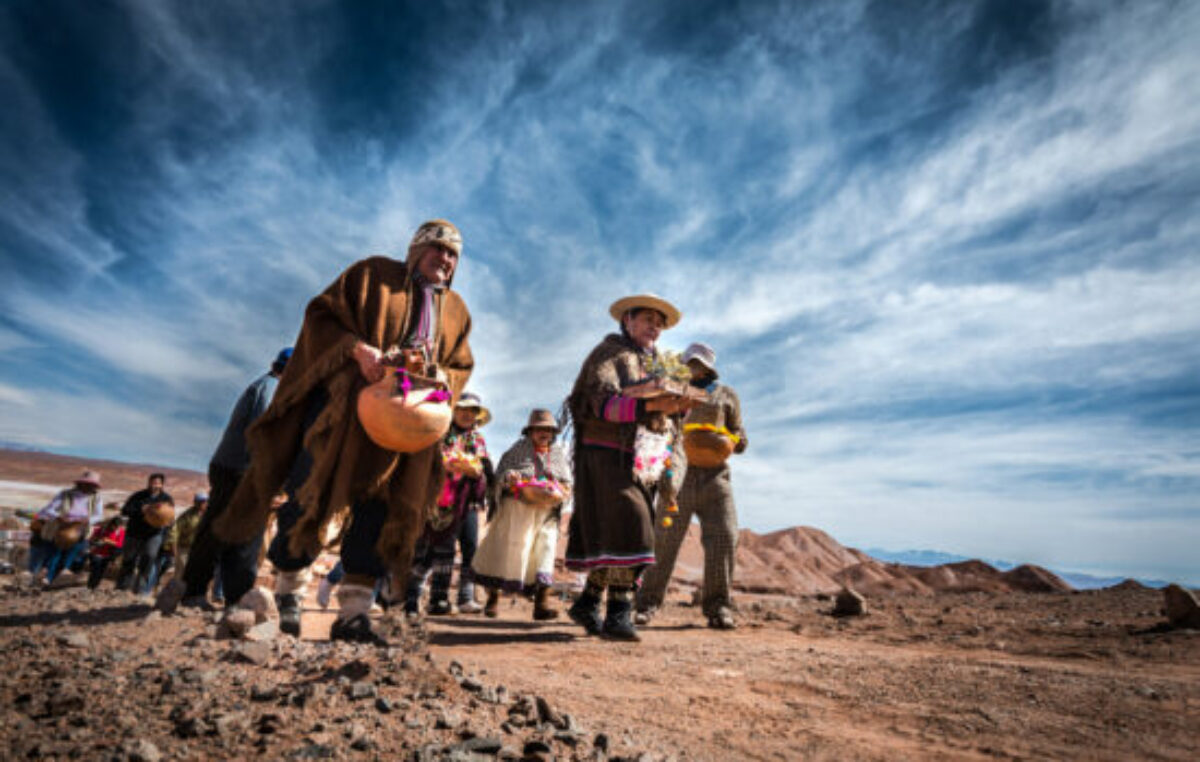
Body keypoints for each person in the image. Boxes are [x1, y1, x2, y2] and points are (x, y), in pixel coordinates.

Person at [212, 219, 473, 644]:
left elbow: (461, 366)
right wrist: (358, 350)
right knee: (311, 490)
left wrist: (442, 375)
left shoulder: (457, 310)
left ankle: (354, 610)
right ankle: (289, 595)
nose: (445, 259)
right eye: (438, 248)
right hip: (345, 412)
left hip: (406, 427)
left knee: (380, 508)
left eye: (453, 254)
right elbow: (321, 316)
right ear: (416, 248)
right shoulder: (372, 276)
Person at [564, 294, 693, 641]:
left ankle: (588, 602)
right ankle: (619, 613)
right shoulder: (609, 354)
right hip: (606, 454)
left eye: (659, 323)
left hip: (641, 460)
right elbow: (597, 402)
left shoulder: (658, 367)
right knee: (634, 524)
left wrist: (678, 405)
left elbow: (665, 412)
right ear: (628, 321)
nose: (654, 327)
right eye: (647, 319)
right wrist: (644, 408)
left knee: (618, 531)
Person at [156, 349, 291, 614]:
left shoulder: (265, 385)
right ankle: (228, 597)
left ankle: (210, 593)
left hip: (234, 467)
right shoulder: (271, 388)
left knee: (224, 531)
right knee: (241, 533)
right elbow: (261, 434)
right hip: (241, 470)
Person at [636, 342, 749, 630]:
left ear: (709, 366)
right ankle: (647, 604)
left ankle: (718, 607)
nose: (693, 368)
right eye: (689, 363)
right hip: (679, 474)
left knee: (724, 536)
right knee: (664, 538)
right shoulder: (673, 390)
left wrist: (728, 442)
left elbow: (740, 436)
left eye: (697, 363)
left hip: (716, 477)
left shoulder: (727, 396)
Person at [473, 408, 573, 620]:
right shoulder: (516, 451)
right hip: (517, 512)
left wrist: (560, 489)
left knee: (544, 554)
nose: (544, 433)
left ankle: (541, 604)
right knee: (508, 553)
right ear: (530, 432)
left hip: (546, 514)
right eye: (539, 429)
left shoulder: (557, 454)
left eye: (548, 429)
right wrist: (510, 478)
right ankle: (493, 599)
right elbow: (501, 476)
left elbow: (567, 483)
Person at [405, 392, 494, 616]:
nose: (466, 414)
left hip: (467, 503)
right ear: (453, 411)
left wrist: (478, 473)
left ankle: (445, 598)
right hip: (437, 499)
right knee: (427, 549)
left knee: (466, 549)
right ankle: (410, 597)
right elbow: (428, 461)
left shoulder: (478, 440)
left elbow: (485, 470)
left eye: (472, 411)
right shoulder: (439, 433)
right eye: (462, 409)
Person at [31, 469, 106, 584]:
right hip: (60, 528)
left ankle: (58, 579)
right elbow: (49, 509)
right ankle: (46, 579)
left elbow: (99, 516)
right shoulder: (65, 494)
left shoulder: (97, 498)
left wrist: (88, 520)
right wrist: (59, 516)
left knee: (70, 556)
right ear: (80, 483)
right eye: (86, 483)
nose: (87, 486)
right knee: (54, 554)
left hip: (80, 530)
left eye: (91, 485)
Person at [116, 473, 174, 595]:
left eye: (158, 483)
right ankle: (122, 588)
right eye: (152, 482)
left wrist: (166, 526)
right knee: (129, 559)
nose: (155, 485)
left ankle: (140, 590)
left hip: (154, 534)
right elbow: (125, 510)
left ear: (162, 484)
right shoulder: (138, 496)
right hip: (134, 533)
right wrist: (141, 510)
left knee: (149, 558)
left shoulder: (166, 499)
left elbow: (170, 517)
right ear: (148, 483)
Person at [85, 513, 125, 590]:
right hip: (97, 553)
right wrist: (98, 539)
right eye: (115, 526)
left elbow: (120, 544)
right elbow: (91, 539)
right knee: (95, 570)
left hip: (108, 555)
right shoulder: (102, 529)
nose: (115, 528)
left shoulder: (120, 532)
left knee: (101, 572)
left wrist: (108, 541)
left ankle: (93, 586)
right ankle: (90, 586)